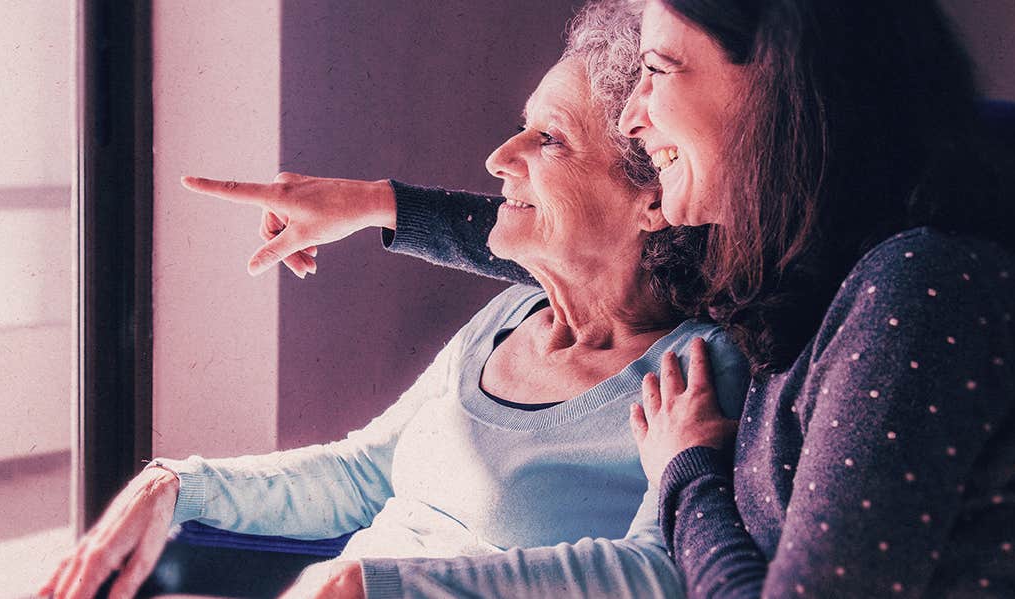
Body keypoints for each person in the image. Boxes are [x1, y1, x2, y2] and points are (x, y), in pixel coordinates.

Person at [207, 1, 1015, 596]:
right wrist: (376, 206)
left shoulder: (913, 294)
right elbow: (588, 243)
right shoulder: (798, 286)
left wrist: (686, 472)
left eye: (661, 70)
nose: (634, 116)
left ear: (783, 82)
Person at [38, 3, 750, 599]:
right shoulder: (505, 322)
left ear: (651, 196)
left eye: (550, 140)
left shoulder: (695, 371)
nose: (500, 158)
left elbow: (656, 569)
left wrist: (376, 585)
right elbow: (361, 473)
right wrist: (175, 482)